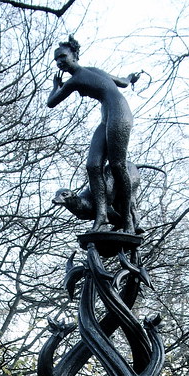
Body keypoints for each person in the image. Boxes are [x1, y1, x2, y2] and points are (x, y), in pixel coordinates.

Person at [47, 35, 141, 234]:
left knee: (117, 165)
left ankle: (127, 220)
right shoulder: (93, 72)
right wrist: (131, 78)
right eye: (56, 60)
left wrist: (56, 86)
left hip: (120, 113)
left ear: (75, 55)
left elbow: (51, 102)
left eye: (62, 56)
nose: (59, 62)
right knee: (93, 165)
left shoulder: (76, 79)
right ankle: (102, 216)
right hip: (106, 117)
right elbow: (123, 82)